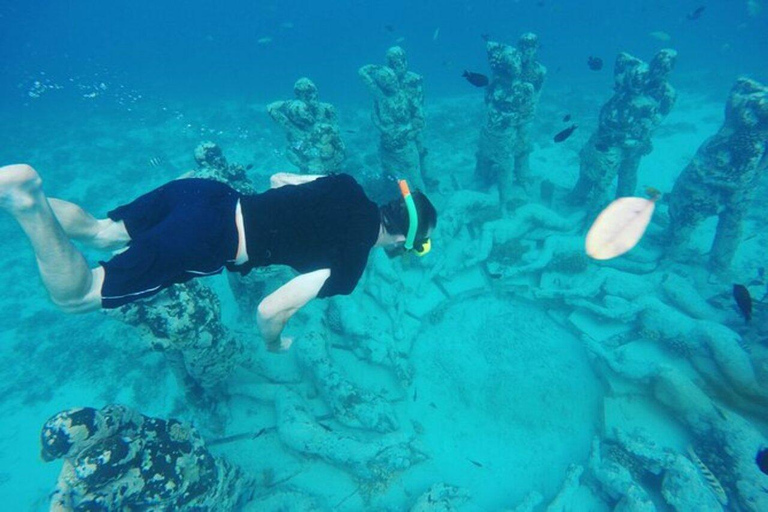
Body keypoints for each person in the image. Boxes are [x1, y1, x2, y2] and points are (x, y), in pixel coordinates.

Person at [0, 164, 436, 352]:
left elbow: (279, 180)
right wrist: (274, 342)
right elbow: (269, 310)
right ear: (403, 239)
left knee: (100, 231)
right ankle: (24, 200)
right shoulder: (350, 266)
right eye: (415, 247)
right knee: (77, 296)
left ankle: (17, 193)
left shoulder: (346, 183)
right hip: (208, 238)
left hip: (204, 193)